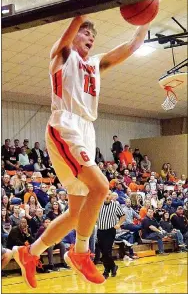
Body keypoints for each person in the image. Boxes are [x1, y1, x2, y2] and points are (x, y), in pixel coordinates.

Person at [13, 15, 149, 287]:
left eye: (92, 36)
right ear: (75, 34)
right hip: (65, 124)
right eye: (85, 33)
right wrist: (81, 15)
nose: (90, 38)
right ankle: (81, 252)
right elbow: (69, 34)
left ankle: (30, 253)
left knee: (76, 213)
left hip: (86, 129)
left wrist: (146, 19)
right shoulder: (62, 55)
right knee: (100, 187)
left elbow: (132, 45)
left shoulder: (95, 63)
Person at [97, 190, 125, 278]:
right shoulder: (98, 204)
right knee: (104, 252)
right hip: (100, 230)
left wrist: (119, 224)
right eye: (105, 194)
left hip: (110, 230)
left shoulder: (115, 205)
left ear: (111, 196)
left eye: (109, 194)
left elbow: (123, 216)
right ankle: (113, 267)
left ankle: (106, 271)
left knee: (107, 251)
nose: (107, 196)